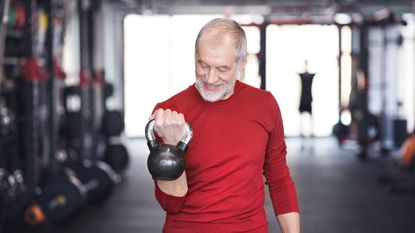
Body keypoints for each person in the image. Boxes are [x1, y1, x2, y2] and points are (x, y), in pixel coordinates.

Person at [148, 18, 300, 233]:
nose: (210, 78)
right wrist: (172, 147)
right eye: (203, 65)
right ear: (194, 57)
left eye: (222, 69)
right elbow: (171, 204)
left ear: (242, 63)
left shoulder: (264, 105)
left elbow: (279, 179)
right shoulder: (169, 114)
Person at [297, 59, 315, 138]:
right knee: (302, 117)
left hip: (308, 98)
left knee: (309, 117)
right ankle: (302, 132)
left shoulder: (310, 76)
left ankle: (310, 132)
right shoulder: (303, 75)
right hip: (304, 98)